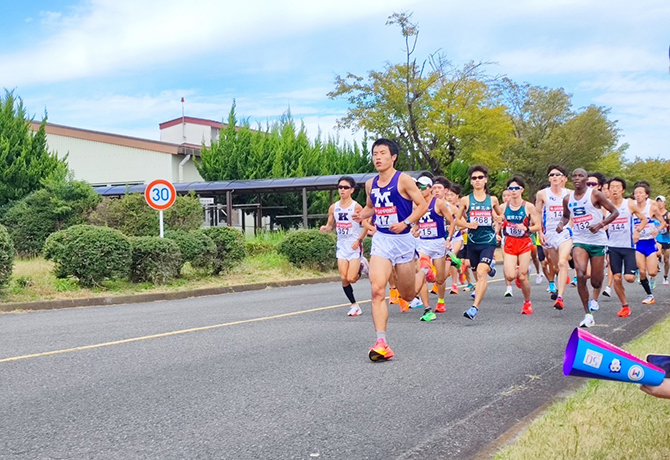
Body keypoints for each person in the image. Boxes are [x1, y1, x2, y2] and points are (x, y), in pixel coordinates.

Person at [353, 138, 430, 361]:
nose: (377, 157)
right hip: (382, 240)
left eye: (382, 153)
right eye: (375, 153)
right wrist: (362, 215)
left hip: (404, 240)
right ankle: (381, 342)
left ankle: (424, 270)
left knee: (408, 294)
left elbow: (423, 205)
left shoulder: (404, 180)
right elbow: (371, 207)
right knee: (377, 290)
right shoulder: (370, 184)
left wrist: (406, 222)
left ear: (393, 156)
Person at [557, 168, 619, 328]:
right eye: (575, 176)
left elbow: (615, 212)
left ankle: (595, 291)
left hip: (597, 241)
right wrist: (561, 224)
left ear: (585, 179)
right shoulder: (567, 198)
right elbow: (566, 215)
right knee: (581, 273)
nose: (577, 178)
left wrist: (600, 224)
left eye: (581, 176)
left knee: (597, 282)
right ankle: (587, 314)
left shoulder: (595, 195)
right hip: (579, 240)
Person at [456, 165, 503, 320]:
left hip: (488, 242)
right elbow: (457, 219)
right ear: (471, 182)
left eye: (480, 177)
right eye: (474, 178)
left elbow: (500, 217)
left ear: (485, 180)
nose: (477, 180)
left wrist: (498, 221)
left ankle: (474, 308)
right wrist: (468, 225)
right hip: (472, 243)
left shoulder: (493, 200)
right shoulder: (465, 200)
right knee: (477, 273)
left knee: (481, 273)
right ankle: (490, 267)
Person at [320, 176, 368, 317]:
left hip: (353, 246)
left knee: (352, 278)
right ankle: (354, 305)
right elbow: (330, 225)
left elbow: (365, 225)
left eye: (345, 187)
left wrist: (359, 240)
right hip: (341, 245)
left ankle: (361, 265)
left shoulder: (356, 207)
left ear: (352, 190)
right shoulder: (333, 207)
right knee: (344, 277)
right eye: (340, 187)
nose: (342, 190)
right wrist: (325, 228)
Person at [413, 175, 454, 321]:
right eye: (418, 187)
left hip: (438, 243)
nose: (420, 190)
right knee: (421, 273)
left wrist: (448, 239)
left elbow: (451, 222)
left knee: (440, 279)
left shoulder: (439, 204)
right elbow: (416, 221)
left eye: (423, 187)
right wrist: (416, 228)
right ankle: (427, 308)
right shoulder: (417, 204)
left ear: (430, 189)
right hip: (423, 244)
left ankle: (441, 301)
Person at [606, 177, 648, 318]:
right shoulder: (605, 206)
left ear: (623, 190)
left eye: (618, 187)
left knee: (629, 278)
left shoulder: (628, 204)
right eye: (612, 187)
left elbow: (644, 219)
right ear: (609, 190)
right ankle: (625, 306)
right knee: (617, 278)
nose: (615, 189)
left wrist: (637, 231)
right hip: (613, 247)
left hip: (628, 246)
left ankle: (634, 270)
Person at [500, 176, 542, 314]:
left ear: (522, 190)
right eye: (510, 188)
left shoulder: (528, 206)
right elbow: (496, 221)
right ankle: (519, 272)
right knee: (511, 276)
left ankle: (527, 303)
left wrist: (527, 229)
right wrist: (496, 227)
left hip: (524, 243)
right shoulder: (503, 207)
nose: (513, 191)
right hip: (510, 242)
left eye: (516, 188)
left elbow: (538, 225)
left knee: (523, 277)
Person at [536, 165, 573, 310]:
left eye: (558, 174)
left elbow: (573, 213)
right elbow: (538, 215)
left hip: (565, 232)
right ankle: (560, 284)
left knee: (563, 263)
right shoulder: (542, 194)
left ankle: (560, 297)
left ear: (564, 178)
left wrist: (572, 226)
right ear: (549, 178)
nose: (555, 177)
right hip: (550, 233)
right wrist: (540, 233)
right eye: (552, 175)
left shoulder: (570, 193)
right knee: (556, 265)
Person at [633, 182, 667, 304]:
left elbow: (663, 222)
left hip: (649, 242)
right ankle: (649, 295)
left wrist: (657, 230)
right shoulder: (632, 207)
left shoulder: (651, 207)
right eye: (636, 193)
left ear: (646, 195)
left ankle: (654, 271)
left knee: (651, 272)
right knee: (642, 271)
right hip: (638, 243)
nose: (638, 195)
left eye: (640, 193)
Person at [501, 188, 515, 298]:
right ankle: (508, 287)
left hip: (519, 240)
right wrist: (496, 232)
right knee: (506, 263)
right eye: (504, 196)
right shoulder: (501, 208)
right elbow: (497, 221)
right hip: (506, 239)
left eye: (508, 195)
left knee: (517, 266)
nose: (506, 198)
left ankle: (523, 272)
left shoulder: (520, 207)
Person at [655, 195, 670, 285]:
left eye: (661, 201)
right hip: (657, 238)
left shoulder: (668, 214)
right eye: (658, 201)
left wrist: (667, 226)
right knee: (657, 253)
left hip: (666, 238)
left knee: (667, 260)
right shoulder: (654, 214)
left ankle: (665, 276)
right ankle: (655, 267)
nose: (659, 203)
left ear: (664, 203)